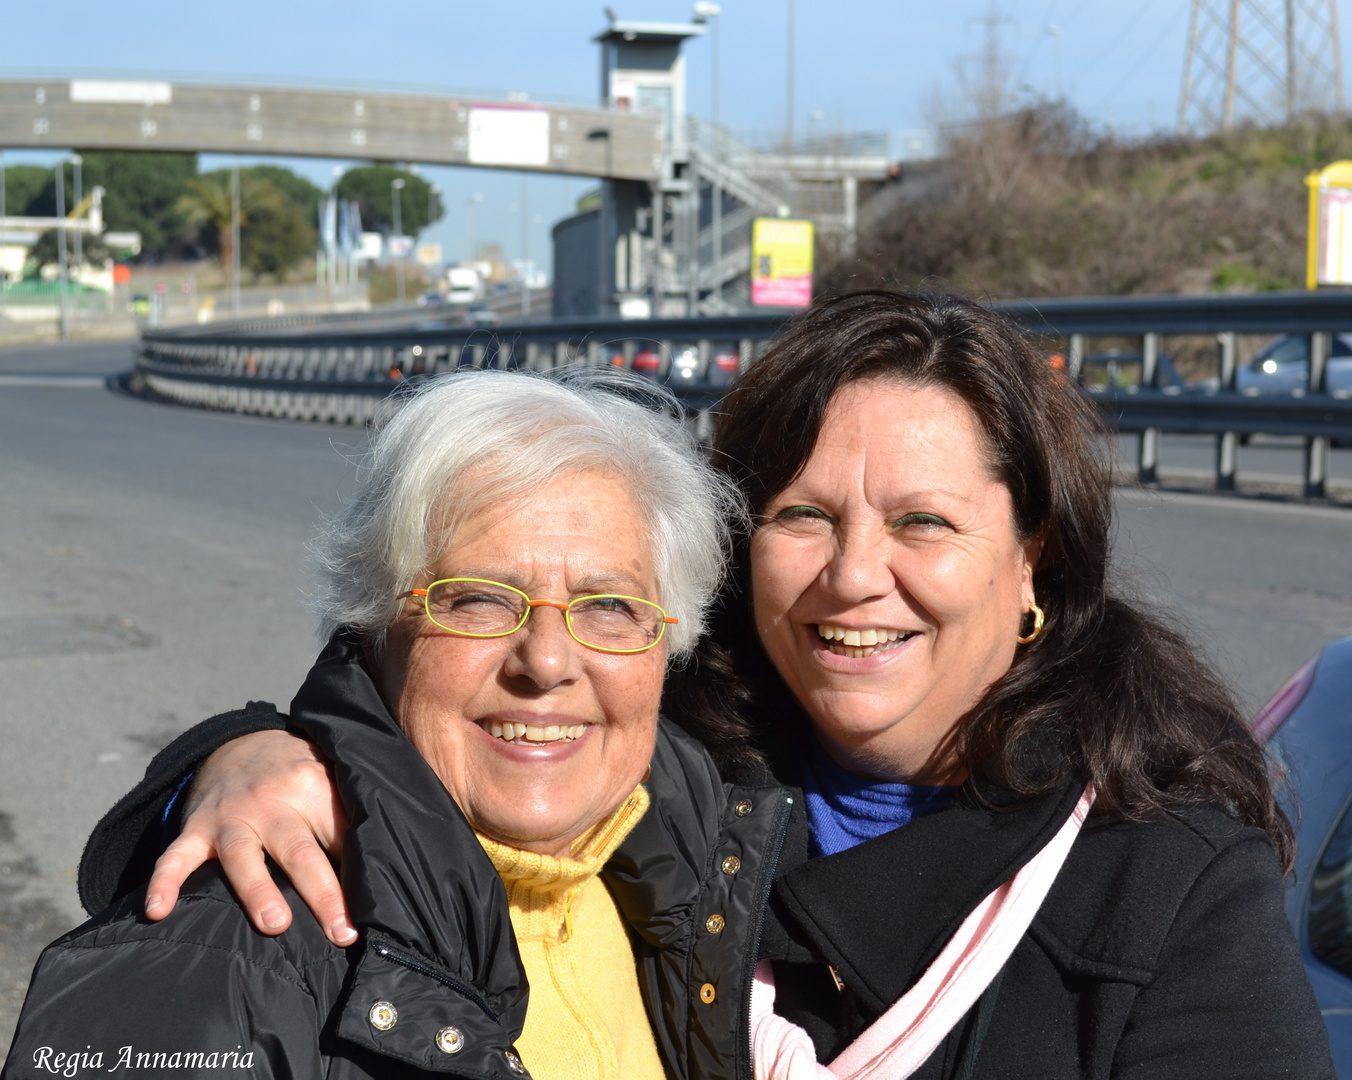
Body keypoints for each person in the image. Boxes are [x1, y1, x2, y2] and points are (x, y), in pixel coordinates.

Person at [61, 292, 1333, 1079]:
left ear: (1029, 566)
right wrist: (241, 758)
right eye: (803, 516)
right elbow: (440, 700)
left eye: (924, 523)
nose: (853, 578)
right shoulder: (673, 784)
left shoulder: (1161, 881)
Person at [2, 369, 741, 1080]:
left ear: (668, 644)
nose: (546, 661)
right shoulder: (221, 962)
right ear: (374, 626)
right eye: (478, 599)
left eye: (610, 606)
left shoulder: (711, 874)